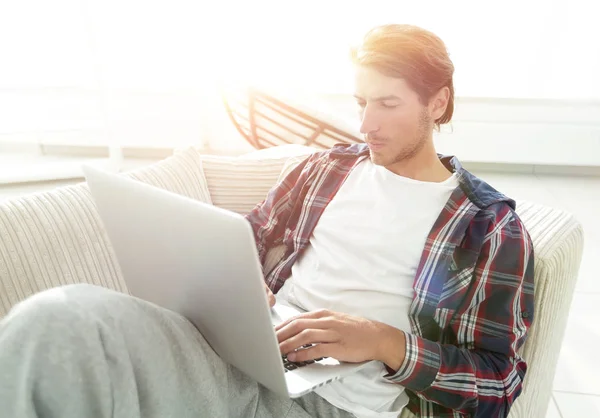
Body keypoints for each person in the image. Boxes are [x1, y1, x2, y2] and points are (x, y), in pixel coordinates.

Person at [0, 24, 534, 418]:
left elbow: (501, 383)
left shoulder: (487, 228)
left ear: (437, 104)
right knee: (56, 320)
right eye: (361, 102)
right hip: (244, 357)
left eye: (387, 104)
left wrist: (382, 341)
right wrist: (242, 283)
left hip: (333, 405)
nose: (366, 123)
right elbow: (247, 237)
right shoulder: (327, 168)